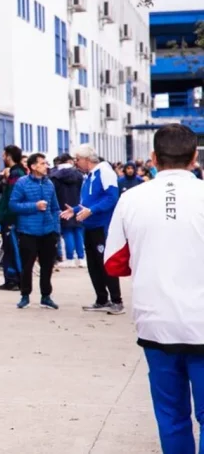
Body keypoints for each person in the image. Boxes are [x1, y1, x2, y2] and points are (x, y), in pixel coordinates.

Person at [102, 124, 204, 454]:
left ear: (153, 158)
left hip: (156, 322)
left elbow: (113, 263)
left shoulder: (132, 198)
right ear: (194, 157)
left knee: (171, 415)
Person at [61, 144, 123, 315]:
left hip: (101, 225)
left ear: (87, 159)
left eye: (78, 159)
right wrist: (75, 210)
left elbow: (112, 198)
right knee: (93, 265)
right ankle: (101, 299)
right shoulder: (88, 176)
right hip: (89, 225)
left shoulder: (104, 172)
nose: (76, 163)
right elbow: (88, 202)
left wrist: (92, 210)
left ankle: (117, 300)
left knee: (104, 263)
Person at [9, 153, 61, 310]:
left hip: (48, 231)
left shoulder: (49, 184)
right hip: (28, 231)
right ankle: (25, 295)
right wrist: (34, 206)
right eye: (42, 163)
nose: (46, 166)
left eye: (46, 163)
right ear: (33, 166)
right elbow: (13, 205)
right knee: (27, 265)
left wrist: (56, 229)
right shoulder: (22, 183)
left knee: (47, 266)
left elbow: (55, 208)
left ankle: (46, 296)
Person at [0, 145, 28, 291]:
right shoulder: (16, 172)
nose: (2, 158)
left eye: (4, 155)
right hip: (11, 217)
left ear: (9, 156)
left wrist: (7, 215)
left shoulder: (16, 173)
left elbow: (13, 196)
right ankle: (11, 278)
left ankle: (16, 279)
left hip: (12, 218)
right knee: (9, 249)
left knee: (13, 249)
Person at [49, 154, 86, 268]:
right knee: (78, 231)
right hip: (78, 205)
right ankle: (81, 258)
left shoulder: (55, 176)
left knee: (67, 231)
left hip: (63, 205)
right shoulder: (79, 175)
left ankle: (70, 258)